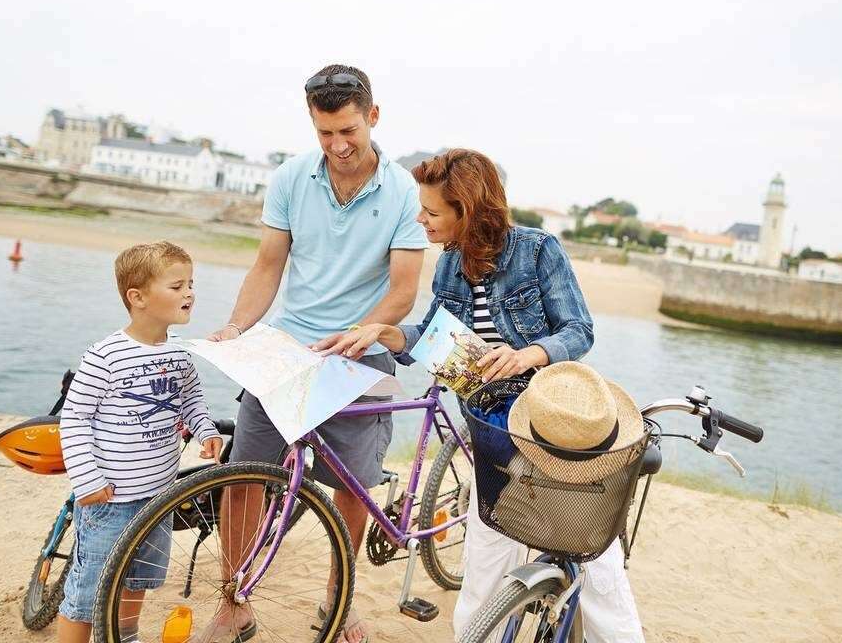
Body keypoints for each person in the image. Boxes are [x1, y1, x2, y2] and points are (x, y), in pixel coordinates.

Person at [316, 148, 646, 643]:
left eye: (430, 212)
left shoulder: (538, 250)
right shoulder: (449, 263)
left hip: (552, 428)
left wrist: (526, 355)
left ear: (465, 210)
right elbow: (434, 339)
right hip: (492, 429)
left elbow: (578, 330)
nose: (420, 220)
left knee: (597, 569)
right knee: (485, 566)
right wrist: (381, 331)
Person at [196, 64, 427, 643]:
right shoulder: (291, 178)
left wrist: (368, 329)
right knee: (244, 474)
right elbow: (267, 266)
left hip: (361, 350)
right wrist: (236, 326)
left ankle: (338, 599)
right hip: (287, 345)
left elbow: (403, 290)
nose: (338, 145)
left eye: (349, 130)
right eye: (325, 132)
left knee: (353, 487)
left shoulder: (404, 191)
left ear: (373, 116)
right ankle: (235, 599)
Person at [57, 241, 223, 643]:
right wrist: (88, 480)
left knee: (136, 581)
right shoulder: (106, 355)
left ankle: (122, 636)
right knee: (87, 593)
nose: (189, 293)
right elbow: (74, 417)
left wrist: (207, 432)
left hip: (158, 498)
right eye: (177, 285)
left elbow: (191, 403)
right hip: (110, 500)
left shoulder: (181, 355)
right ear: (138, 297)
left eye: (191, 284)